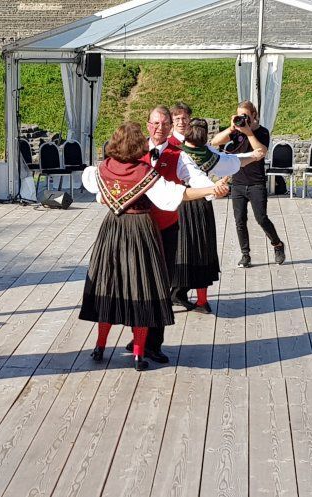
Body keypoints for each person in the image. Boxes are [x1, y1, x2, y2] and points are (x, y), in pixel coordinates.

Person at [80, 121, 227, 371]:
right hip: (139, 232)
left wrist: (108, 198)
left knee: (109, 284)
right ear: (138, 145)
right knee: (142, 288)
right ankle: (139, 354)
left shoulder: (101, 168)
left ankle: (100, 345)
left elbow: (96, 190)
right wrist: (212, 188)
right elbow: (176, 195)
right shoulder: (144, 173)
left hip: (112, 231)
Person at [174, 117, 267, 314]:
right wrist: (254, 156)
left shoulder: (182, 152)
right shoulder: (205, 153)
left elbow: (230, 161)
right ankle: (195, 298)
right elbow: (232, 162)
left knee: (182, 251)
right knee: (199, 251)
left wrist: (253, 155)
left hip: (184, 203)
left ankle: (178, 294)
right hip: (195, 203)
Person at [211, 100, 286, 268]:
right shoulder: (236, 132)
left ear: (254, 115)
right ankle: (245, 255)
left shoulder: (262, 132)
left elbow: (261, 152)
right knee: (239, 220)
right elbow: (215, 142)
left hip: (256, 183)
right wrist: (232, 128)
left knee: (261, 218)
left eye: (246, 115)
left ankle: (277, 244)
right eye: (239, 115)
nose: (243, 119)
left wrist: (249, 132)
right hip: (237, 183)